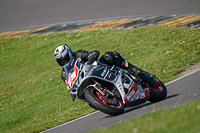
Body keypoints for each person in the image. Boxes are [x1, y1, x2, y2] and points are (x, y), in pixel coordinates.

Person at [54, 44, 142, 83]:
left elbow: (94, 53)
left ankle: (132, 69)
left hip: (98, 70)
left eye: (65, 59)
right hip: (86, 83)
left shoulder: (78, 54)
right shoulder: (64, 74)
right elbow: (68, 85)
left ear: (69, 54)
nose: (64, 62)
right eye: (61, 61)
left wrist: (91, 57)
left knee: (109, 56)